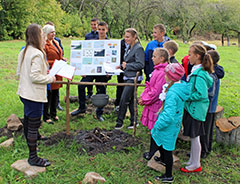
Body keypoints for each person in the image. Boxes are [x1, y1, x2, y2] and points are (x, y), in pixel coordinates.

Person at [143, 63, 190, 183]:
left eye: (166, 73)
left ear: (170, 76)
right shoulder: (178, 87)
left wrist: (158, 125)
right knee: (162, 144)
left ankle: (168, 175)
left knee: (168, 148)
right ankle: (163, 159)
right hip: (174, 123)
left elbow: (169, 115)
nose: (164, 75)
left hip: (168, 125)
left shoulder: (173, 93)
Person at [16, 24, 56, 167]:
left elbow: (19, 72)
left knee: (28, 122)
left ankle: (32, 150)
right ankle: (33, 157)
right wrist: (50, 78)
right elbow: (35, 76)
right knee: (33, 125)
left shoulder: (25, 50)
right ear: (36, 36)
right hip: (33, 95)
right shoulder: (37, 53)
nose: (44, 37)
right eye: (41, 34)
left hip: (24, 92)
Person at [180, 44, 213, 173]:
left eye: (190, 54)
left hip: (196, 109)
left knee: (195, 137)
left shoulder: (199, 74)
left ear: (197, 56)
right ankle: (193, 160)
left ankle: (195, 164)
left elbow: (201, 94)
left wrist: (186, 96)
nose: (188, 57)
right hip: (192, 108)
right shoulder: (196, 70)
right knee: (194, 137)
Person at [71, 21, 110, 121]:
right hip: (91, 70)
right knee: (81, 86)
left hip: (103, 72)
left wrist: (110, 72)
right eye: (99, 29)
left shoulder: (110, 43)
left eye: (103, 30)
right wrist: (82, 70)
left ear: (107, 30)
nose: (101, 31)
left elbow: (112, 59)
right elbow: (85, 56)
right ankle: (82, 108)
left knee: (101, 90)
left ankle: (99, 113)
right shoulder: (92, 41)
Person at [115, 28, 145, 129]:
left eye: (128, 37)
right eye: (125, 36)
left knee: (124, 99)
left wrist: (127, 65)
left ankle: (119, 122)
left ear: (134, 37)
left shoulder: (138, 48)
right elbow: (127, 61)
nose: (125, 38)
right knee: (131, 100)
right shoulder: (129, 47)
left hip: (134, 78)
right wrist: (121, 66)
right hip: (127, 76)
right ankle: (134, 121)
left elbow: (140, 64)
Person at [200, 50, 224, 158]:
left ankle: (203, 151)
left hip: (208, 106)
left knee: (205, 129)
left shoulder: (211, 74)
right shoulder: (216, 71)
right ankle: (207, 148)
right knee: (208, 129)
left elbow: (209, 92)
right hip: (212, 106)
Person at [139, 48, 169, 130]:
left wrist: (145, 99)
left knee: (156, 128)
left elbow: (156, 92)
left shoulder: (162, 73)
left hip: (156, 105)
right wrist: (143, 96)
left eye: (154, 56)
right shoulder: (157, 70)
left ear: (162, 58)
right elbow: (150, 86)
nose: (152, 58)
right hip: (152, 104)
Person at [42, 24, 65, 124]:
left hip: (57, 71)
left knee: (56, 93)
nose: (54, 34)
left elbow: (59, 54)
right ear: (46, 34)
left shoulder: (55, 41)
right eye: (52, 32)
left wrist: (62, 59)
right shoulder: (44, 45)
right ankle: (46, 116)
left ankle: (53, 113)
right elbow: (44, 60)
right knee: (49, 94)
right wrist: (55, 62)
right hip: (50, 71)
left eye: (54, 32)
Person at [85, 18, 100, 100]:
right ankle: (89, 93)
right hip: (90, 59)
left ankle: (98, 93)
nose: (93, 26)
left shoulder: (101, 35)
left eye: (95, 24)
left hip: (98, 59)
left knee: (98, 78)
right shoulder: (88, 36)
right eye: (92, 24)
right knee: (89, 78)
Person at [114, 39, 128, 112]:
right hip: (120, 68)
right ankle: (118, 104)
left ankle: (126, 106)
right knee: (120, 86)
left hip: (130, 70)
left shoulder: (136, 45)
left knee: (128, 90)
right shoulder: (120, 43)